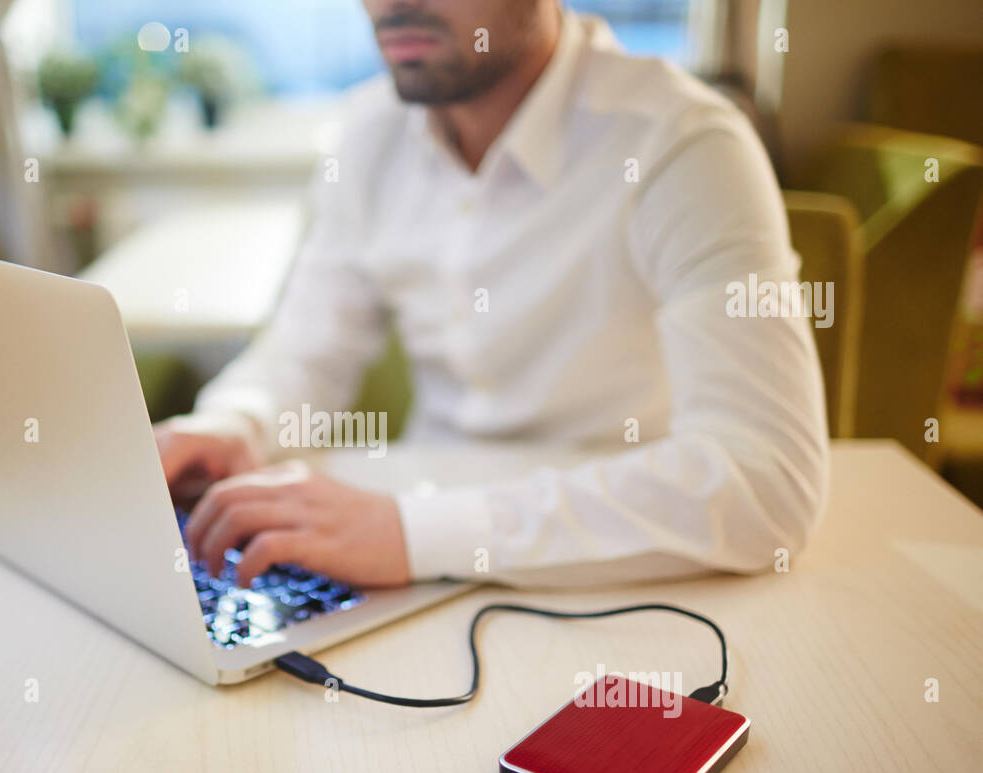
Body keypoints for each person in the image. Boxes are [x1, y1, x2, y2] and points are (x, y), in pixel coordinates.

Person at [155, 0, 829, 591]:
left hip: (626, 572)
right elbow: (308, 351)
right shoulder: (366, 134)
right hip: (403, 558)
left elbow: (764, 479)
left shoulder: (681, 143)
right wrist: (237, 424)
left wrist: (417, 534)